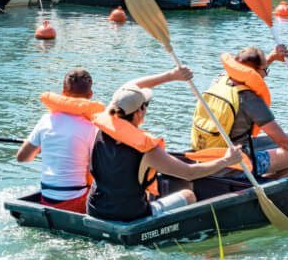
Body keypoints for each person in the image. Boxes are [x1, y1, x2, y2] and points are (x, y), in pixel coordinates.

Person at [86, 68, 242, 222]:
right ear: (139, 112)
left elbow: (129, 87)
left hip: (95, 210)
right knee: (189, 195)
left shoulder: (101, 126)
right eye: (146, 105)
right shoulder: (147, 149)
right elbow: (189, 173)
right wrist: (227, 160)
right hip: (130, 216)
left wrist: (171, 75)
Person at [191, 46, 288, 178]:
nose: (266, 75)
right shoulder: (251, 100)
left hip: (204, 160)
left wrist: (272, 57)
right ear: (255, 71)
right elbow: (284, 141)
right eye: (265, 70)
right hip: (234, 168)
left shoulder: (220, 80)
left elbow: (249, 73)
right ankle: (270, 184)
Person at [16, 69, 104, 214]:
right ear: (90, 95)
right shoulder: (92, 128)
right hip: (77, 201)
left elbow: (22, 158)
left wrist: (42, 146)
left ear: (63, 93)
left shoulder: (45, 120)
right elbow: (96, 169)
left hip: (47, 199)